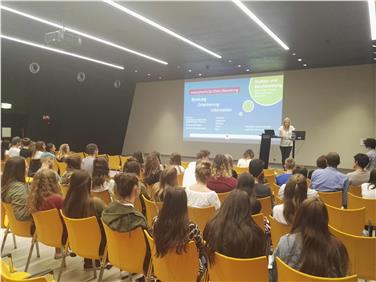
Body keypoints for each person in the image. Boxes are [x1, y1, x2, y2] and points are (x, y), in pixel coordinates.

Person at [273, 198, 349, 278]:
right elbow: (341, 275)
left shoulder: (286, 242)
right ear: (325, 219)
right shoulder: (338, 247)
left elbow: (275, 274)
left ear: (299, 217)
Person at [151, 187, 205, 278]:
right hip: (189, 272)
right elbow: (201, 247)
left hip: (164, 266)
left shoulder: (155, 222)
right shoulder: (191, 227)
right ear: (184, 205)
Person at [101, 173, 149, 272]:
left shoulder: (106, 211)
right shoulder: (137, 219)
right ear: (136, 190)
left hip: (115, 256)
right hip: (138, 262)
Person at [204, 190, 266, 264]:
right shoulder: (255, 235)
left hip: (218, 273)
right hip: (247, 274)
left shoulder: (211, 226)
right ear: (248, 210)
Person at [62, 170, 106, 270]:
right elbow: (110, 220)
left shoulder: (66, 204)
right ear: (88, 185)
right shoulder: (95, 203)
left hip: (76, 244)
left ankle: (90, 261)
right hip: (98, 246)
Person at [28, 169, 64, 258]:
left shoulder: (33, 198)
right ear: (54, 182)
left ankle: (58, 251)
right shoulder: (57, 199)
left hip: (41, 233)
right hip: (61, 235)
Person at [1, 156, 31, 221]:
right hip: (25, 227)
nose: (28, 168)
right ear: (19, 170)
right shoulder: (19, 188)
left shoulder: (5, 181)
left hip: (11, 222)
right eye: (26, 167)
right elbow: (21, 216)